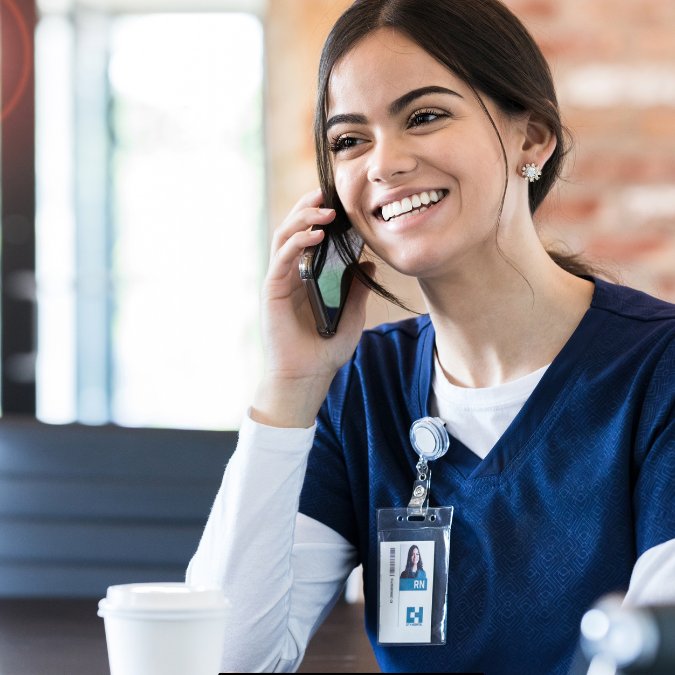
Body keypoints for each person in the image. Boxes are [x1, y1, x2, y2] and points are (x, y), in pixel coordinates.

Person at [186, 0, 675, 672]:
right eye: (348, 141)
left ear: (530, 138)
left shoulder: (659, 371)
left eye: (423, 116)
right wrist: (290, 384)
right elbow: (219, 660)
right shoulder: (358, 387)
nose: (383, 164)